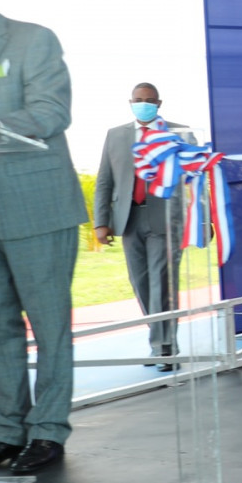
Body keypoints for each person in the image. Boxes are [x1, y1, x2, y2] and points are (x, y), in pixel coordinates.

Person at [0, 0, 87, 476]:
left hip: (35, 203)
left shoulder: (32, 40)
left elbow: (51, 112)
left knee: (49, 324)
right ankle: (6, 431)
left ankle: (48, 430)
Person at [92, 83, 194, 371]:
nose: (144, 104)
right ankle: (159, 342)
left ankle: (166, 348)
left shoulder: (179, 133)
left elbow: (195, 178)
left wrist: (203, 219)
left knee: (162, 283)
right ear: (131, 102)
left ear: (159, 103)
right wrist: (101, 222)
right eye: (139, 100)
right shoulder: (115, 135)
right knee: (141, 282)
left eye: (149, 100)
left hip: (166, 218)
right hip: (129, 218)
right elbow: (104, 180)